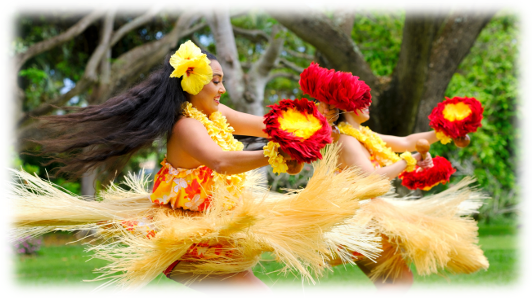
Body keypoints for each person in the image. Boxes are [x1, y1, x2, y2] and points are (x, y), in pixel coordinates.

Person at [3, 42, 391, 297]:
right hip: (188, 243)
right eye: (216, 82)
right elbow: (222, 162)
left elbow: (264, 125)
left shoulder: (215, 115)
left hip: (212, 236)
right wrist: (273, 155)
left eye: (222, 82)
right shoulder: (186, 126)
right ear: (193, 84)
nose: (221, 90)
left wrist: (317, 118)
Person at [303, 63, 488, 297]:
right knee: (401, 283)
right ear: (346, 104)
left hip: (364, 219)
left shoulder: (361, 135)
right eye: (362, 100)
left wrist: (446, 131)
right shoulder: (347, 141)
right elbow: (372, 177)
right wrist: (409, 161)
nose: (368, 103)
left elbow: (408, 141)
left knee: (393, 284)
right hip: (360, 222)